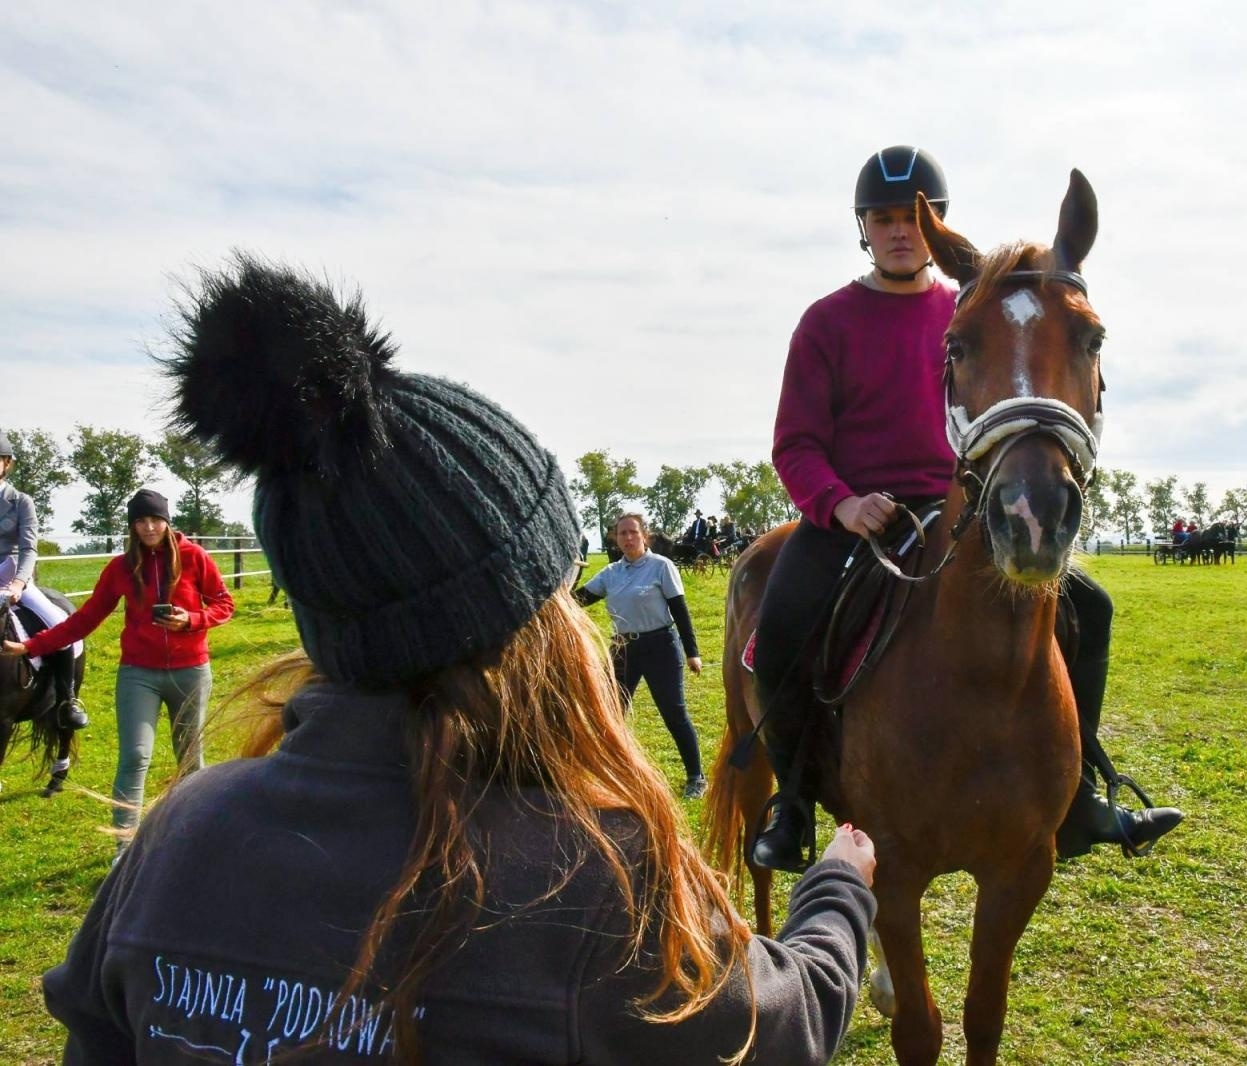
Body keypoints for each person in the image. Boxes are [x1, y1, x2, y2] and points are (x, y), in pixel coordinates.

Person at [38, 256, 878, 1065]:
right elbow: (780, 1025)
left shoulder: (182, 833)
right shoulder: (591, 877)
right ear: (526, 623)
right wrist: (839, 886)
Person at [748, 144, 1182, 873]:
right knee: (785, 619)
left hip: (962, 502)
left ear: (934, 225)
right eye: (882, 218)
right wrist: (841, 504)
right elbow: (795, 443)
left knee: (1092, 607)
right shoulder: (826, 322)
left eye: (909, 217)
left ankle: (1079, 796)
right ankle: (792, 803)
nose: (898, 231)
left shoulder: (978, 313)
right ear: (864, 228)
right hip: (858, 516)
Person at [4, 488, 233, 844]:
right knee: (135, 757)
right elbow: (84, 620)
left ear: (167, 521)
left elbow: (223, 603)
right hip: (138, 674)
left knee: (191, 757)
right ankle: (124, 847)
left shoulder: (195, 557)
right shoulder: (120, 568)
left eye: (155, 519)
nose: (149, 527)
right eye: (140, 521)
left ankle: (194, 838)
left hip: (191, 672)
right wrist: (31, 646)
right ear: (132, 526)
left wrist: (191, 619)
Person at [575, 512, 708, 799]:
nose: (627, 538)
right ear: (615, 539)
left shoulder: (661, 566)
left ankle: (696, 776)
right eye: (622, 533)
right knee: (610, 713)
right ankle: (614, 776)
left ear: (644, 535)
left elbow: (680, 611)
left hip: (660, 647)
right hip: (623, 649)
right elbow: (578, 600)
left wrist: (692, 653)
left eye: (633, 532)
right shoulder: (611, 573)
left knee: (674, 713)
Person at [0, 430, 85, 730]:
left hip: (11, 576)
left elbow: (28, 548)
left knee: (60, 626)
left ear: (6, 463)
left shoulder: (20, 502)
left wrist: (18, 583)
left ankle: (66, 701)